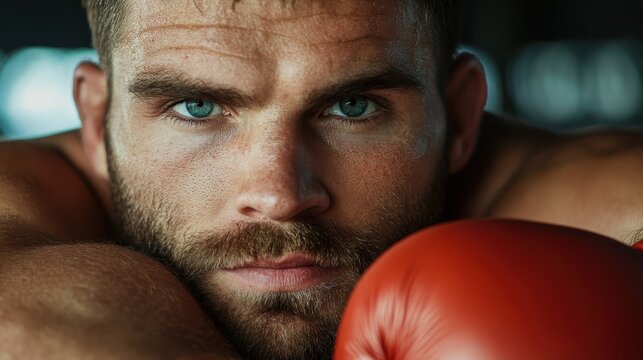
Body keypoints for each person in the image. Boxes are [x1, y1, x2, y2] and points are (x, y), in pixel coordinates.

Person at [0, 0, 641, 359]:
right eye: (198, 108)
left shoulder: (577, 189)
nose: (280, 194)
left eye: (351, 107)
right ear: (96, 118)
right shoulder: (20, 213)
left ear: (461, 116)